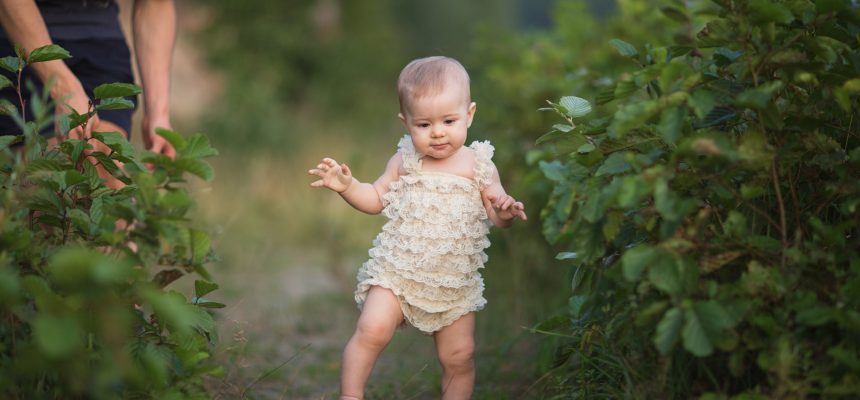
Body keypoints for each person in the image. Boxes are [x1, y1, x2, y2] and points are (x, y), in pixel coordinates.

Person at [308, 56, 527, 400]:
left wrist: (505, 210)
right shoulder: (405, 161)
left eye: (449, 121)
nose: (437, 132)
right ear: (406, 122)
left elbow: (497, 215)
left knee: (459, 357)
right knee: (372, 329)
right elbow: (375, 198)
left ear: (469, 114)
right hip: (398, 271)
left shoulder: (479, 166)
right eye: (424, 124)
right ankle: (351, 395)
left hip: (453, 282)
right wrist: (347, 187)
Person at [0, 0, 176, 167]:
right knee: (56, 164)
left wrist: (158, 113)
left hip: (101, 41)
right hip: (21, 35)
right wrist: (63, 88)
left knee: (102, 155)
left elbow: (155, 3)